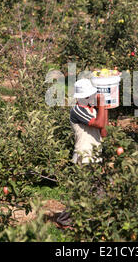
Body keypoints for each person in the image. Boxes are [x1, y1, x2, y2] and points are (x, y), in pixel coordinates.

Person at [55, 78, 108, 228]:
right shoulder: (77, 110)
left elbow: (103, 131)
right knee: (84, 191)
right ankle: (65, 220)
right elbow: (98, 123)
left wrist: (105, 108)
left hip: (95, 155)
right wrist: (102, 105)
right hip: (84, 155)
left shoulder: (93, 110)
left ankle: (93, 221)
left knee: (95, 189)